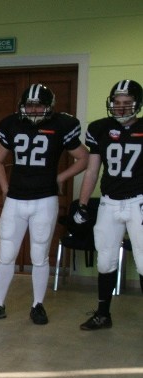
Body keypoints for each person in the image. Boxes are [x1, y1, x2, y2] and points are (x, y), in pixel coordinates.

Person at [0, 84, 89, 325]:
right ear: (22, 105)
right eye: (30, 104)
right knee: (6, 255)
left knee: (39, 255)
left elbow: (84, 157)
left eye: (38, 105)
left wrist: (60, 177)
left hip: (44, 199)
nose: (34, 109)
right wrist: (5, 188)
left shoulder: (62, 124)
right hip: (16, 199)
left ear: (49, 106)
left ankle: (38, 305)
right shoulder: (11, 124)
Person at [75, 79, 143, 330]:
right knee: (105, 261)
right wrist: (83, 204)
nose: (121, 108)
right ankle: (103, 314)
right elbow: (92, 171)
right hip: (109, 202)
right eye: (117, 103)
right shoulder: (99, 128)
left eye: (127, 103)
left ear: (138, 104)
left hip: (139, 202)